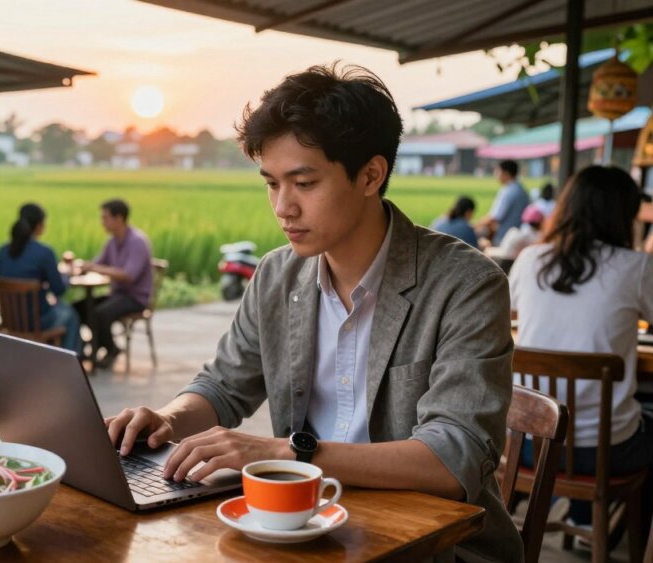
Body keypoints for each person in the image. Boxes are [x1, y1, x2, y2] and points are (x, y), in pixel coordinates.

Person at [104, 63, 520, 562]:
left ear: (370, 175)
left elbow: (455, 458)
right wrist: (166, 421)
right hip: (304, 527)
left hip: (435, 547)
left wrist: (288, 452)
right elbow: (223, 385)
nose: (283, 207)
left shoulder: (465, 284)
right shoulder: (277, 276)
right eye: (272, 184)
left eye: (303, 183)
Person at [509, 165, 653, 533]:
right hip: (608, 453)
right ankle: (618, 534)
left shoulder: (530, 259)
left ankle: (584, 516)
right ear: (625, 214)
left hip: (529, 445)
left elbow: (510, 315)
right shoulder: (636, 267)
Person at [0, 203, 82, 354]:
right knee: (70, 314)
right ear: (39, 225)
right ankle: (70, 363)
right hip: (37, 321)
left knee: (61, 310)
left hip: (10, 320)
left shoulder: (2, 251)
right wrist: (67, 275)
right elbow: (59, 290)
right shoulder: (44, 252)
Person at [77, 199, 153, 370]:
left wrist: (98, 268)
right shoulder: (112, 242)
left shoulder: (137, 241)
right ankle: (92, 346)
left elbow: (128, 275)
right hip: (117, 294)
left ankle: (110, 349)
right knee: (79, 308)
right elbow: (98, 263)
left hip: (135, 297)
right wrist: (83, 267)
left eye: (105, 218)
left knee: (100, 313)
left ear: (119, 218)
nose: (102, 222)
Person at [476, 159, 530, 246]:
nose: (496, 174)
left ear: (506, 173)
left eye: (498, 171)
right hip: (518, 236)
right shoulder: (521, 189)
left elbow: (494, 217)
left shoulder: (508, 191)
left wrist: (473, 226)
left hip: (504, 238)